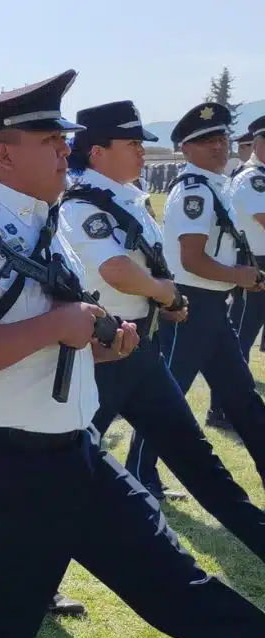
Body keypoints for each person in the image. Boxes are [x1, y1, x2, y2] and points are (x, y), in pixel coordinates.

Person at [0, 69, 265, 638]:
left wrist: (94, 345)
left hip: (75, 452)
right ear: (4, 153)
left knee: (184, 589)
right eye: (51, 141)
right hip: (5, 465)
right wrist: (57, 327)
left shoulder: (45, 222)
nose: (65, 151)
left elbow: (47, 331)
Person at [59, 100, 265, 563]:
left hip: (140, 352)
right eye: (132, 144)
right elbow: (115, 269)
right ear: (96, 152)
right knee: (62, 476)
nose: (142, 153)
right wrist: (166, 295)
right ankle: (28, 584)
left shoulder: (123, 198)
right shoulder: (81, 204)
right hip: (99, 358)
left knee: (199, 461)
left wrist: (161, 299)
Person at [126, 103, 265, 496]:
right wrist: (239, 275)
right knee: (167, 400)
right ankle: (139, 476)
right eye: (206, 141)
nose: (218, 147)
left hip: (211, 308)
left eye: (221, 138)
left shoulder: (212, 185)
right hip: (188, 307)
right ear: (186, 150)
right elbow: (191, 258)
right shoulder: (194, 192)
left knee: (243, 399)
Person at [207, 115, 265, 430]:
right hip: (254, 264)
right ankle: (221, 409)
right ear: (258, 143)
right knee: (239, 340)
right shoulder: (252, 178)